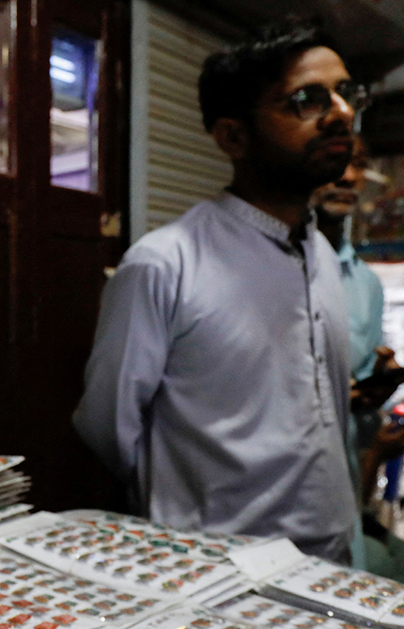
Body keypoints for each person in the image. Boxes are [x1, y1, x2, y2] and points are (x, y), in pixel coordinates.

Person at [73, 19, 364, 562]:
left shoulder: (319, 253)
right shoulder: (166, 264)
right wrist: (183, 512)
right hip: (213, 570)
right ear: (232, 136)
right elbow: (108, 428)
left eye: (345, 94)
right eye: (306, 100)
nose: (341, 114)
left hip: (328, 556)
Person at [312, 137, 404, 573]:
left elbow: (362, 373)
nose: (348, 177)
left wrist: (379, 379)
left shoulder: (365, 283)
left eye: (359, 165)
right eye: (334, 162)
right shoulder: (270, 268)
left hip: (346, 477)